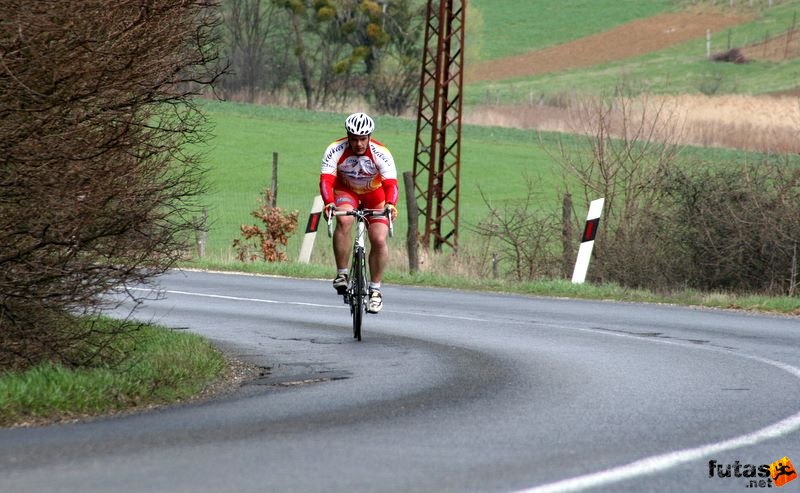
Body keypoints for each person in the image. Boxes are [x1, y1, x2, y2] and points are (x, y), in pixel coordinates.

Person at [320, 112, 398, 314]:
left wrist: (390, 204)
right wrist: (329, 203)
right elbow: (326, 180)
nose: (359, 144)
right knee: (344, 220)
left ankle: (375, 291)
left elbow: (391, 184)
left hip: (374, 193)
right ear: (347, 136)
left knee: (379, 238)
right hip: (347, 191)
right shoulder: (335, 149)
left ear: (370, 137)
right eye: (354, 139)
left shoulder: (381, 152)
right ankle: (342, 274)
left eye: (363, 139)